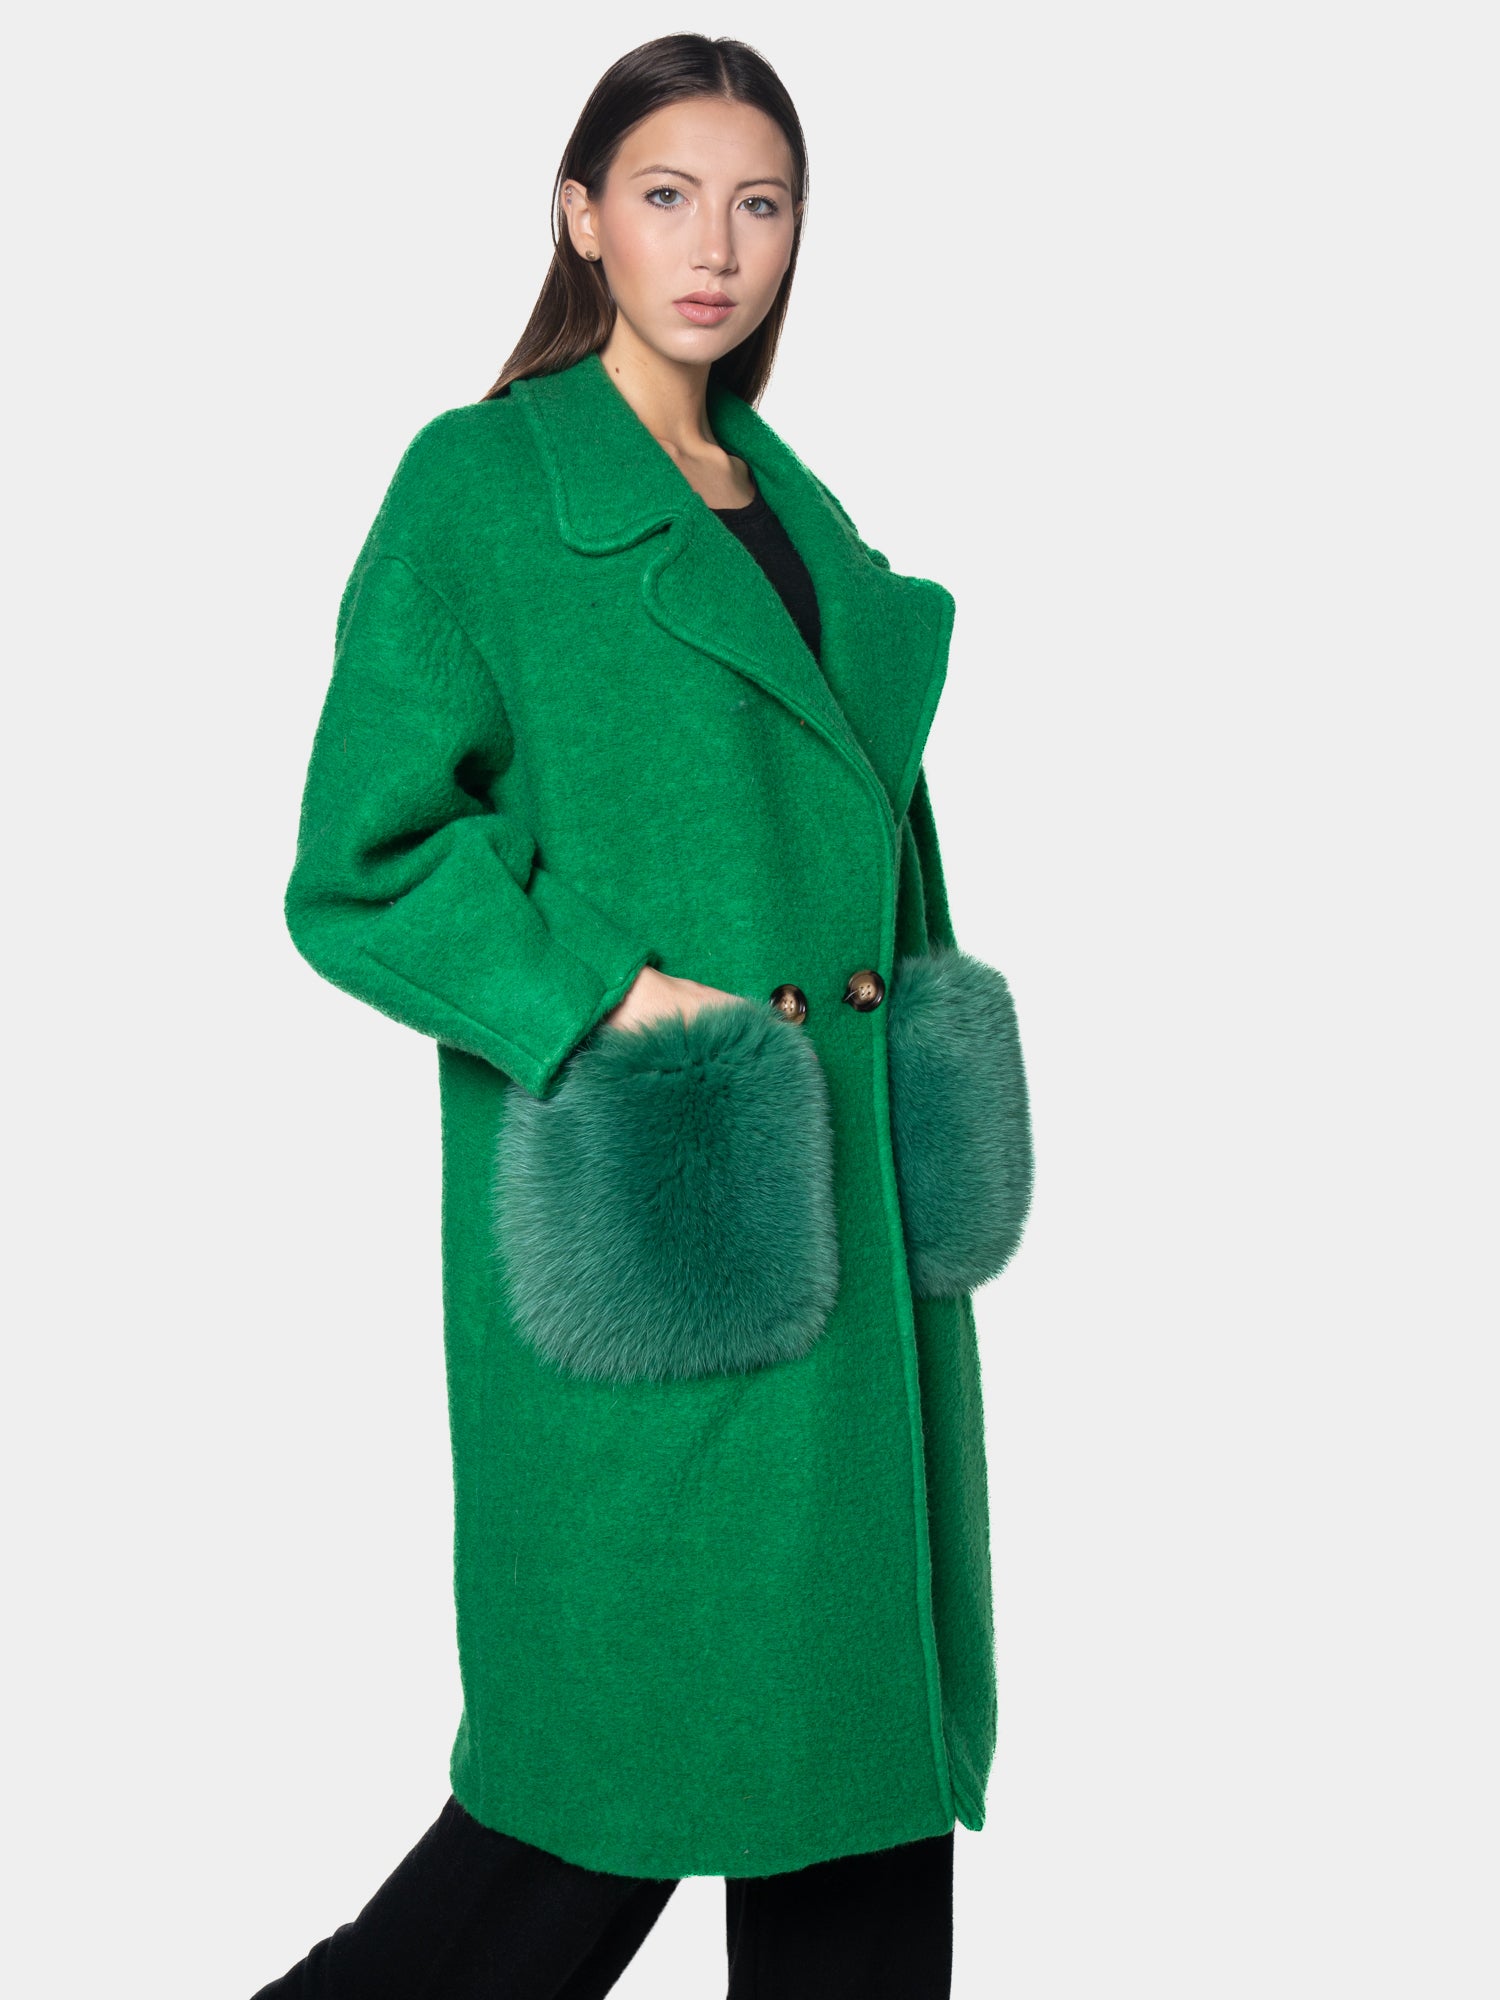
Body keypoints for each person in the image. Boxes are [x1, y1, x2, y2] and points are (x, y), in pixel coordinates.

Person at [257, 30, 1033, 2000]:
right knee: (590, 1796)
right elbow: (365, 859)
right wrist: (607, 996)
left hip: (852, 1235)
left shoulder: (794, 506)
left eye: (761, 204)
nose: (718, 246)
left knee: (854, 1783)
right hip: (665, 1216)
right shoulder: (486, 486)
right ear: (582, 215)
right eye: (670, 195)